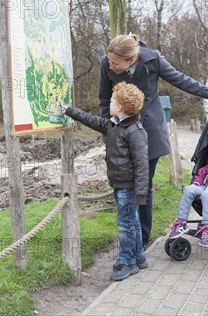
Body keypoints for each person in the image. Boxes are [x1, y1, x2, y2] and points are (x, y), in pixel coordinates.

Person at [99, 33, 208, 246]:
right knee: (123, 185)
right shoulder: (106, 63)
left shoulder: (153, 60)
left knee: (143, 186)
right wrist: (107, 134)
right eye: (109, 61)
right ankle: (129, 234)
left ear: (131, 60)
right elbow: (104, 101)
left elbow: (181, 80)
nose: (111, 66)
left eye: (116, 63)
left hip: (149, 131)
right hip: (120, 133)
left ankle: (142, 238)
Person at [61, 81, 148, 281]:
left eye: (112, 100)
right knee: (132, 222)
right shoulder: (114, 124)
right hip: (119, 185)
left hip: (128, 187)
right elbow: (93, 121)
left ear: (120, 107)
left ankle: (127, 262)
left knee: (125, 225)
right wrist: (69, 111)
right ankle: (139, 257)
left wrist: (141, 192)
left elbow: (142, 165)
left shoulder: (135, 131)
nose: (108, 102)